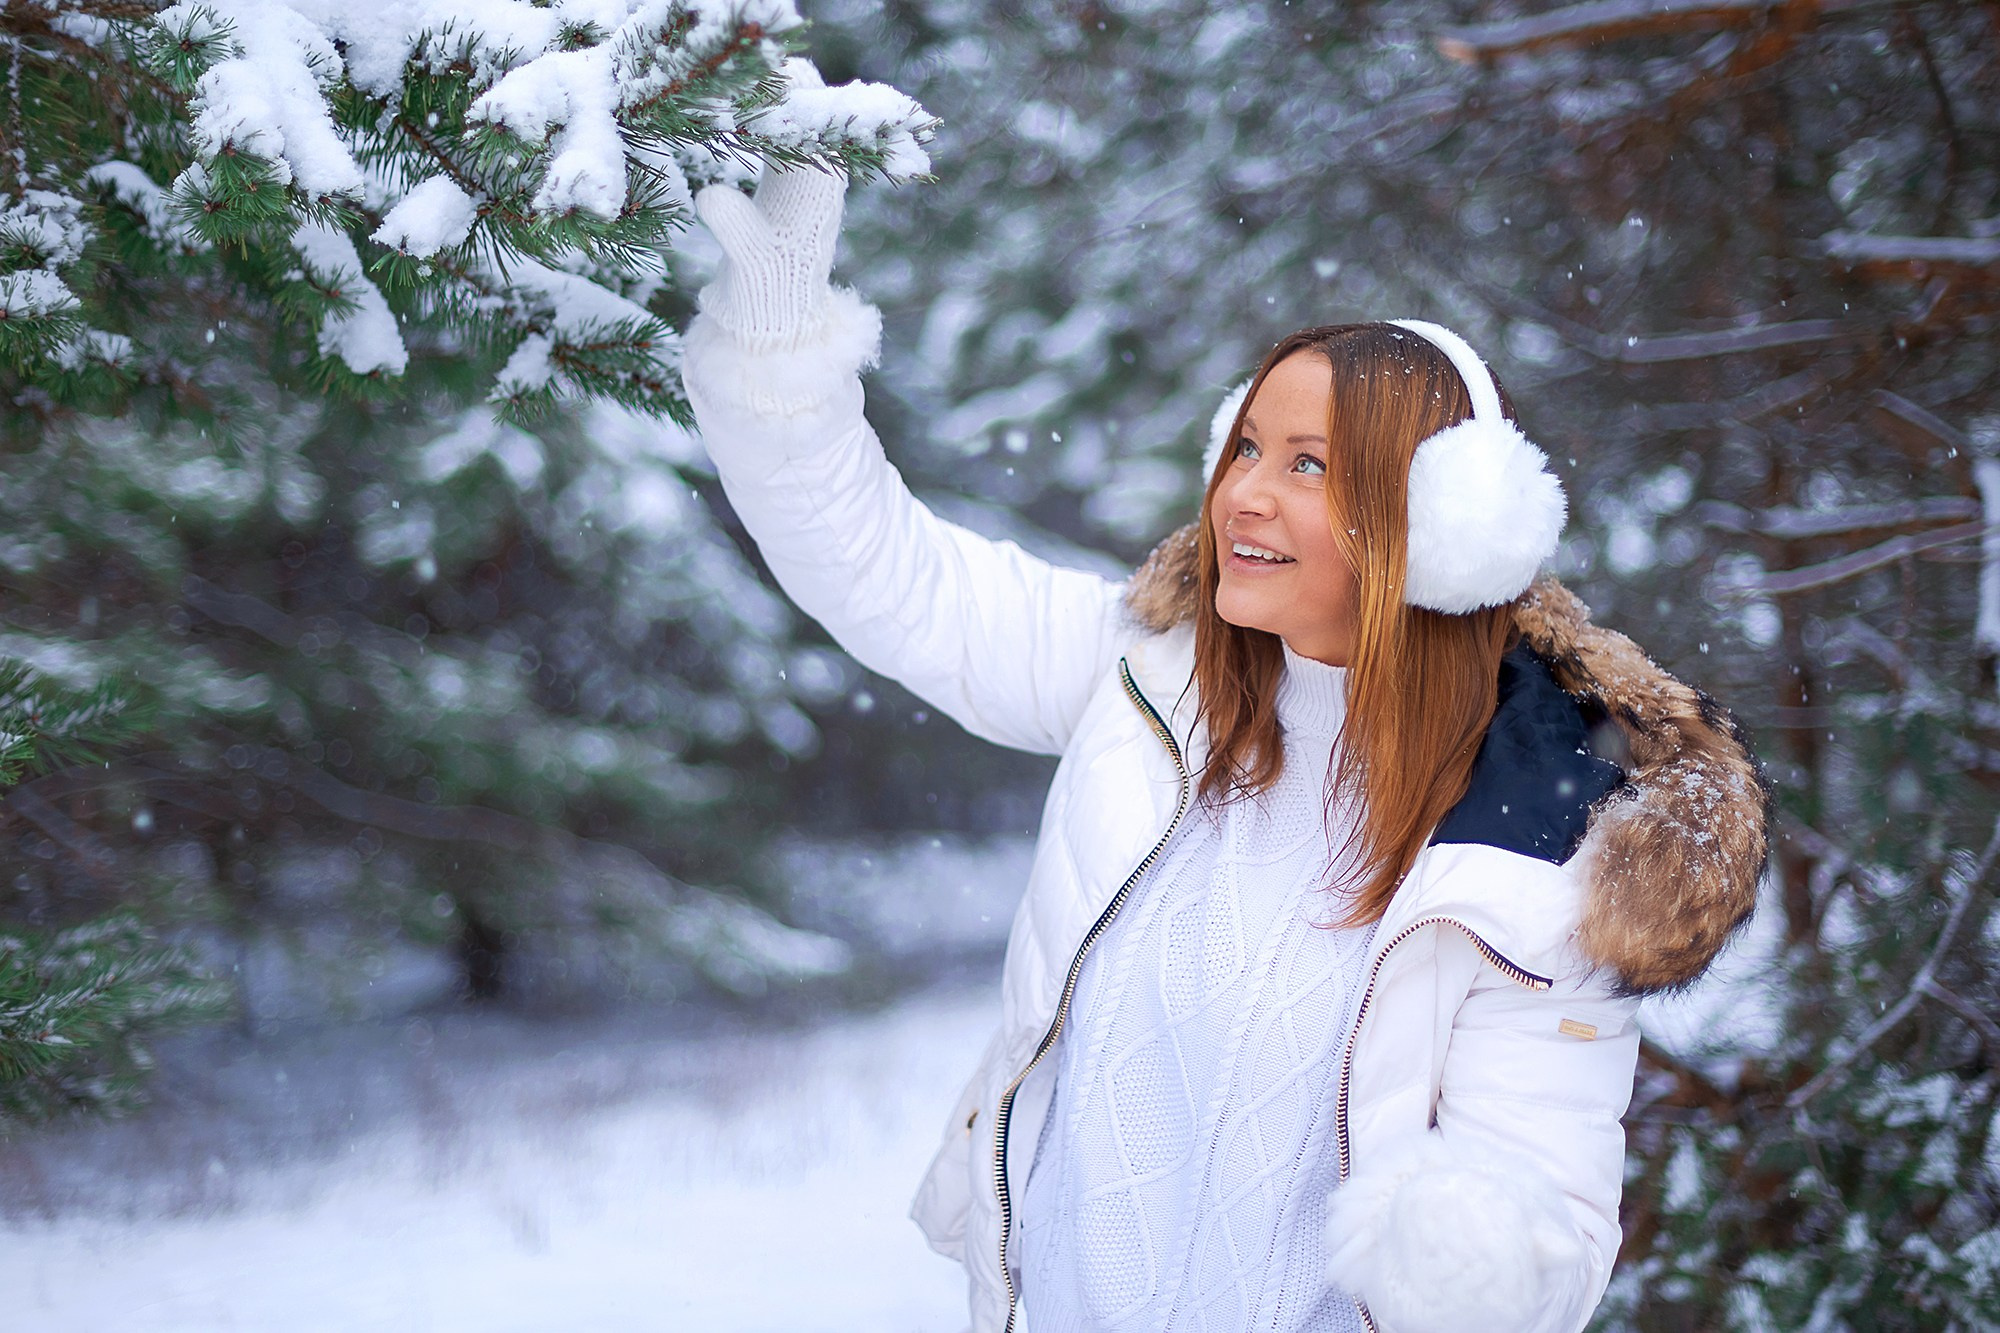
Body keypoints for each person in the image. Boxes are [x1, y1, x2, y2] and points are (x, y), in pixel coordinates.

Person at [676, 132, 1769, 1333]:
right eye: (1246, 446)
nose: (1246, 489)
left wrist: (1473, 1256)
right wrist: (778, 358)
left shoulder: (1530, 844)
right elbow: (884, 572)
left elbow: (1549, 1225)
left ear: (1437, 525)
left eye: (1310, 465)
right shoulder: (1152, 685)